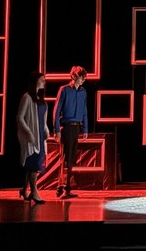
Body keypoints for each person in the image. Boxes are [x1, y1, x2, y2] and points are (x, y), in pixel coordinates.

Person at [53, 66, 88, 198]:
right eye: (81, 77)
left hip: (76, 127)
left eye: (84, 77)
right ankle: (60, 187)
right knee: (64, 158)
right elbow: (56, 111)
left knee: (72, 159)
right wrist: (56, 130)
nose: (83, 79)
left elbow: (84, 110)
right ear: (74, 77)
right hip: (66, 127)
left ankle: (68, 187)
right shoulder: (64, 90)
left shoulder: (83, 92)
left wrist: (85, 129)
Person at [17, 72, 49, 204]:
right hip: (31, 137)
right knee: (32, 164)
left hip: (40, 137)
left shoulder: (42, 100)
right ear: (35, 81)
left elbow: (43, 120)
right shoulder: (27, 97)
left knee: (33, 165)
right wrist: (29, 133)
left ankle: (25, 189)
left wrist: (46, 131)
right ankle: (34, 192)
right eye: (42, 80)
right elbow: (19, 117)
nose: (44, 82)